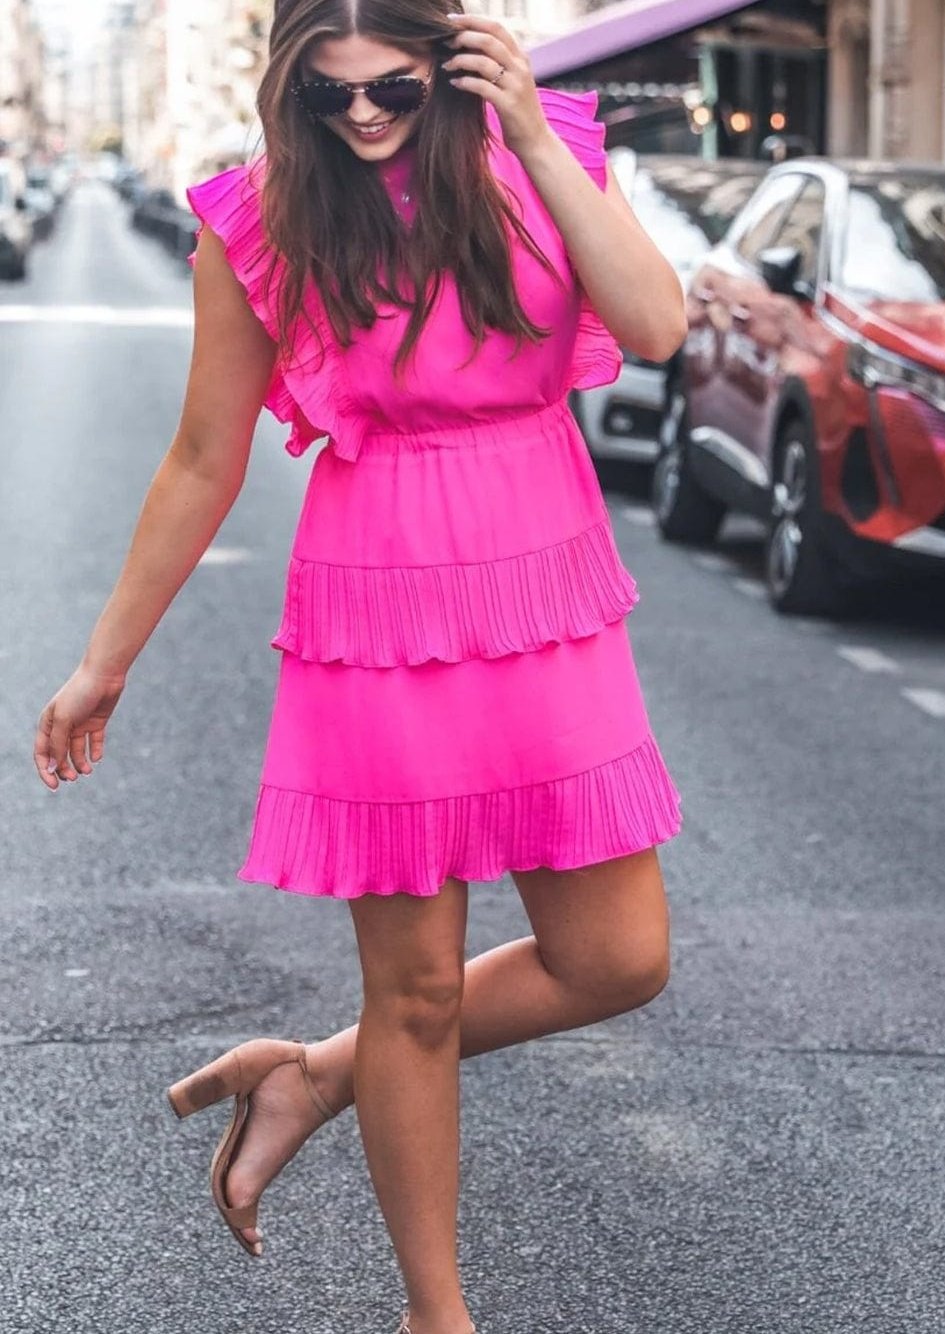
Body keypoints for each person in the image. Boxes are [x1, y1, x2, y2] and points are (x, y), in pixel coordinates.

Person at [33, 3, 687, 1331]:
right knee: (420, 987)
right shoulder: (263, 216)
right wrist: (105, 660)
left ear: (446, 59)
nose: (364, 116)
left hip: (546, 582)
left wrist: (531, 139)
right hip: (374, 595)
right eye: (327, 96)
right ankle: (433, 1315)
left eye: (388, 84)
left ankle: (317, 1074)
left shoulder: (541, 151)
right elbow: (205, 455)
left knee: (618, 955)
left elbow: (658, 326)